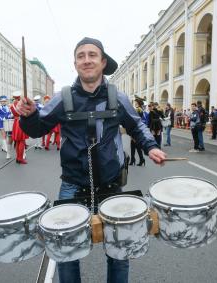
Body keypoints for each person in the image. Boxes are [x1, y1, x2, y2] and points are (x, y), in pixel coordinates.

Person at [15, 37, 166, 283]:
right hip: (72, 186)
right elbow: (37, 129)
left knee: (119, 252)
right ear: (75, 63)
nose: (87, 60)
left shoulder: (118, 97)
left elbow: (136, 125)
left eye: (92, 55)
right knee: (66, 253)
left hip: (111, 185)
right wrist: (29, 116)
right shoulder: (62, 98)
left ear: (102, 61)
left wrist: (150, 146)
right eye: (81, 56)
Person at [10, 93, 29, 164]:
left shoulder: (12, 105)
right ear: (19, 97)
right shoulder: (22, 104)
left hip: (15, 122)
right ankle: (20, 158)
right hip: (21, 122)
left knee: (17, 141)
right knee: (22, 141)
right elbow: (26, 114)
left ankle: (18, 157)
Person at [129, 100, 146, 166]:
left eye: (136, 102)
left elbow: (135, 119)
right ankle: (135, 159)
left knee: (136, 145)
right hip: (136, 128)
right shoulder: (139, 109)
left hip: (136, 128)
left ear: (138, 103)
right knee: (133, 145)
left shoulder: (138, 110)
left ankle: (139, 159)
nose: (135, 103)